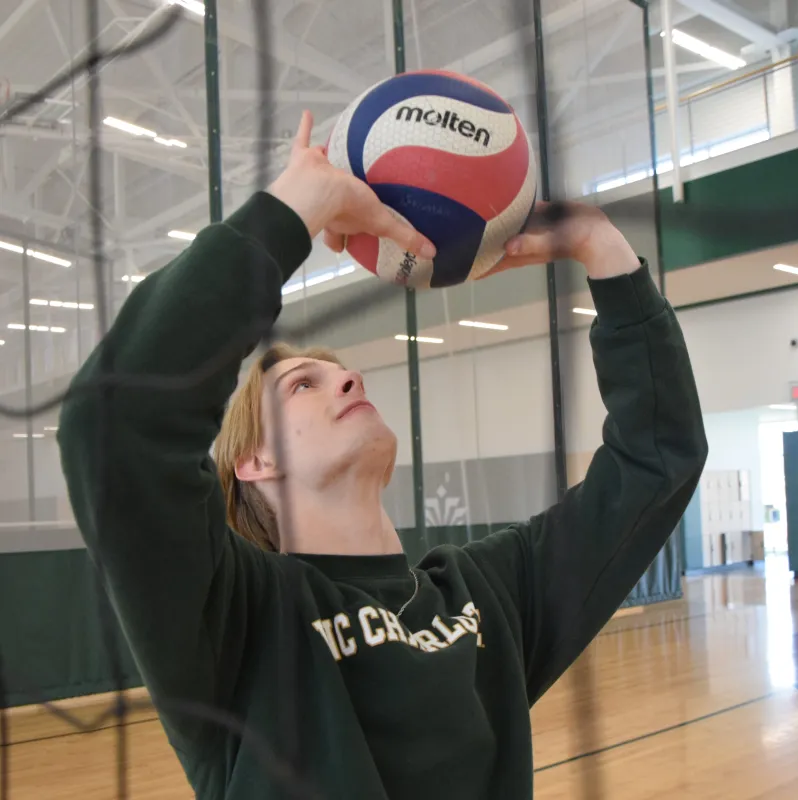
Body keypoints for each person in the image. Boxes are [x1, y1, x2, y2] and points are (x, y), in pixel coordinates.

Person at [58, 110, 708, 800]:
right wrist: (293, 212)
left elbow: (657, 459)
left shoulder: (489, 595)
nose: (347, 378)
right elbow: (115, 424)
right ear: (254, 461)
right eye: (302, 385)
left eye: (341, 373)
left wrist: (600, 247)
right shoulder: (237, 614)